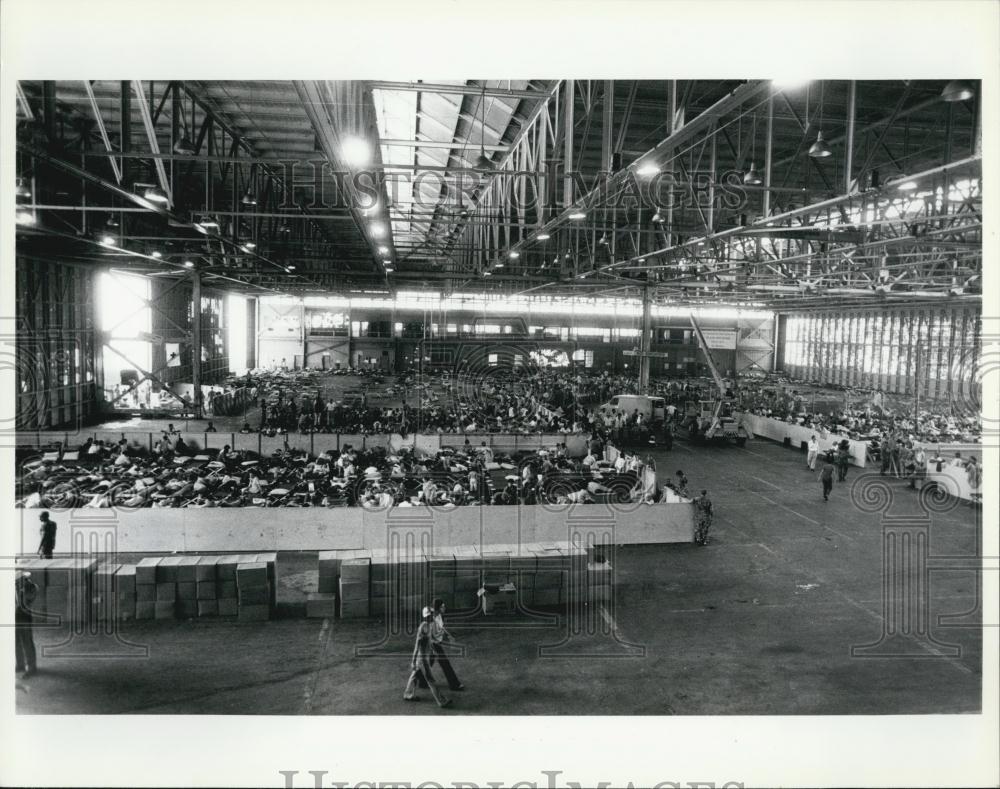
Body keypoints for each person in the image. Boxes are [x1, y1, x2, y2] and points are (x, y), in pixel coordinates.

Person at [403, 607, 452, 707]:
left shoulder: (429, 626)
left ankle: (408, 694)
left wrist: (433, 650)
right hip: (422, 659)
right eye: (430, 615)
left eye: (431, 615)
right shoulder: (423, 627)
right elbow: (417, 645)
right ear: (426, 616)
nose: (431, 616)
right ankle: (441, 701)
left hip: (424, 657)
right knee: (430, 679)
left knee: (414, 676)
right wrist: (413, 661)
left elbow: (429, 642)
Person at [430, 598, 465, 691]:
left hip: (436, 643)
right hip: (433, 644)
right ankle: (454, 685)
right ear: (439, 608)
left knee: (427, 663)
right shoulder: (433, 619)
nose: (444, 607)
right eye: (443, 606)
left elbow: (442, 629)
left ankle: (420, 680)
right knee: (445, 664)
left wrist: (449, 635)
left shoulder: (440, 616)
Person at [15, 569, 38, 679]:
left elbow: (29, 599)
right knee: (16, 641)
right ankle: (20, 665)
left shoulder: (30, 586)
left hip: (24, 615)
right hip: (14, 615)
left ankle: (32, 667)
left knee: (27, 641)